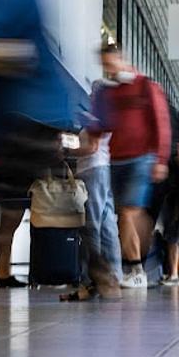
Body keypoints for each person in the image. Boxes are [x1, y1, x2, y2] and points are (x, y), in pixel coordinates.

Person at [90, 44, 171, 289]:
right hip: (116, 159)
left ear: (121, 58)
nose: (109, 69)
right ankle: (147, 253)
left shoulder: (146, 86)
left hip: (142, 158)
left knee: (126, 214)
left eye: (111, 63)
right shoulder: (106, 93)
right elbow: (100, 126)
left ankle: (136, 270)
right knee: (129, 216)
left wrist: (161, 159)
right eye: (105, 66)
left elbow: (162, 123)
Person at [61, 96, 122, 301]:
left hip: (93, 171)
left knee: (91, 225)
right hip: (103, 170)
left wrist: (67, 150)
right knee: (107, 226)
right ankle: (113, 276)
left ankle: (92, 279)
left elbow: (92, 148)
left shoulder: (98, 118)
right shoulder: (107, 117)